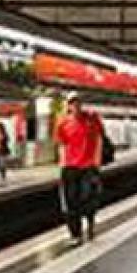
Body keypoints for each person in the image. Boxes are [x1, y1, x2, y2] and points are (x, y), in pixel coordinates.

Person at [54, 92, 104, 245]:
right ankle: (75, 234)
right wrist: (62, 165)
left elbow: (99, 139)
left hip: (88, 166)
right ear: (68, 106)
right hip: (70, 167)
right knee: (70, 202)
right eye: (72, 103)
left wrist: (97, 162)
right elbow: (61, 144)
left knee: (87, 198)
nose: (75, 106)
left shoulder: (92, 119)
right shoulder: (62, 123)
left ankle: (89, 222)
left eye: (77, 103)